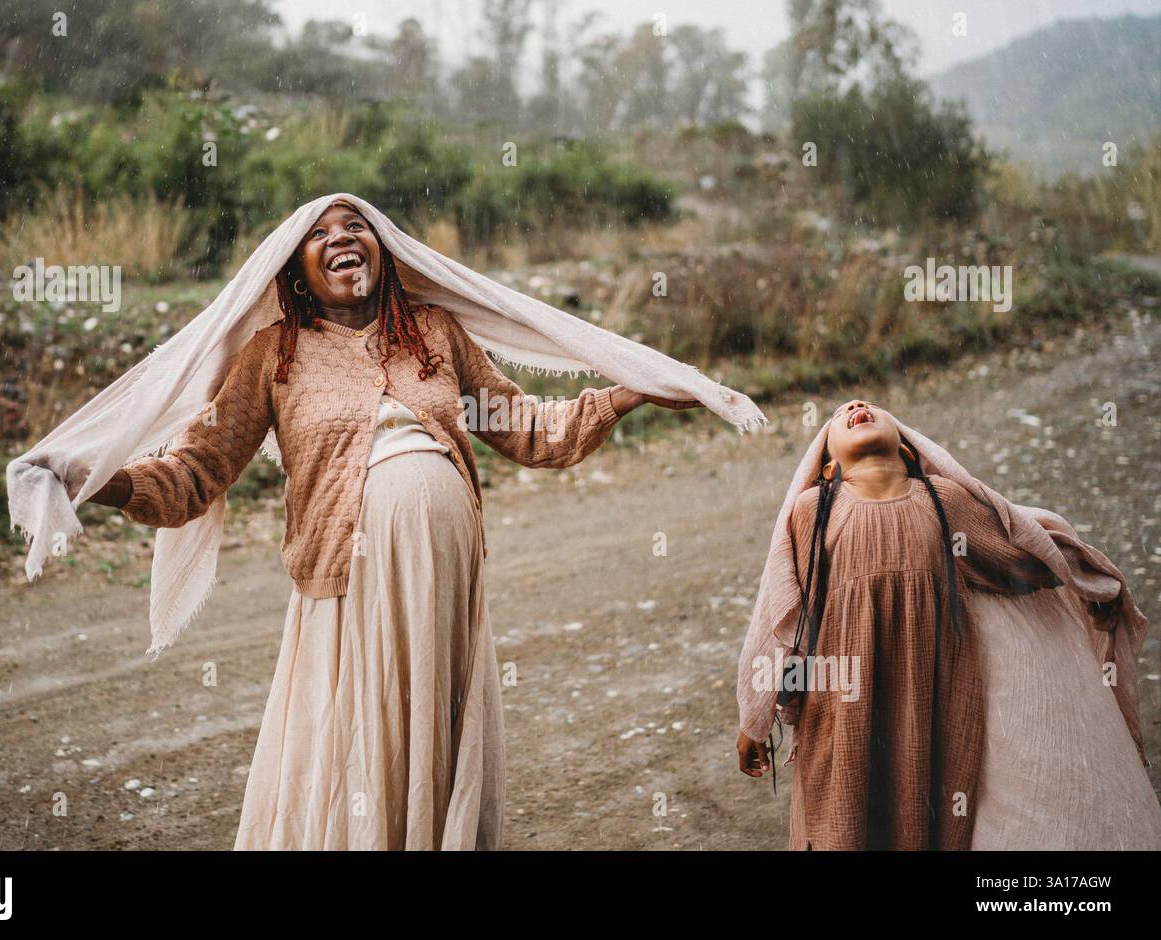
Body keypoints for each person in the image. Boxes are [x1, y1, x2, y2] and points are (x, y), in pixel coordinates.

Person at [82, 200, 699, 850]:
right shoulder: (274, 355)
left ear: (385, 251)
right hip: (348, 584)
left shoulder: (432, 331)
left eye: (356, 228)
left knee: (431, 724)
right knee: (359, 734)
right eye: (319, 234)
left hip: (443, 582)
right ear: (295, 271)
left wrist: (624, 394)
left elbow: (525, 428)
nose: (341, 238)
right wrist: (107, 480)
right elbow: (193, 475)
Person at [735, 400, 1161, 850]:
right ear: (826, 466)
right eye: (842, 415)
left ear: (907, 447)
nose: (858, 407)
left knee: (924, 824)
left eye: (870, 407)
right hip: (839, 708)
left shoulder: (944, 502)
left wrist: (1093, 582)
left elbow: (1019, 552)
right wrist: (754, 718)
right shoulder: (813, 510)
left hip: (931, 703)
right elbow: (781, 611)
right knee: (841, 823)